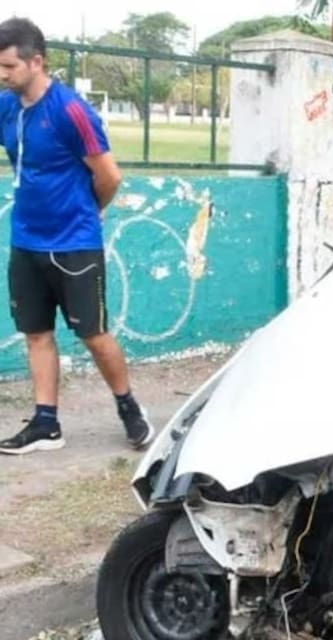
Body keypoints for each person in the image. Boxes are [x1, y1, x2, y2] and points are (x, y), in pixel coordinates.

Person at [0, 17, 152, 455]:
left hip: (74, 243)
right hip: (25, 241)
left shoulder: (70, 111)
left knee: (93, 334)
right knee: (36, 333)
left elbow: (109, 175)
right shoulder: (8, 107)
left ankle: (128, 407)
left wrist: (86, 214)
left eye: (10, 66)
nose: (3, 75)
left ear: (37, 61)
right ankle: (46, 423)